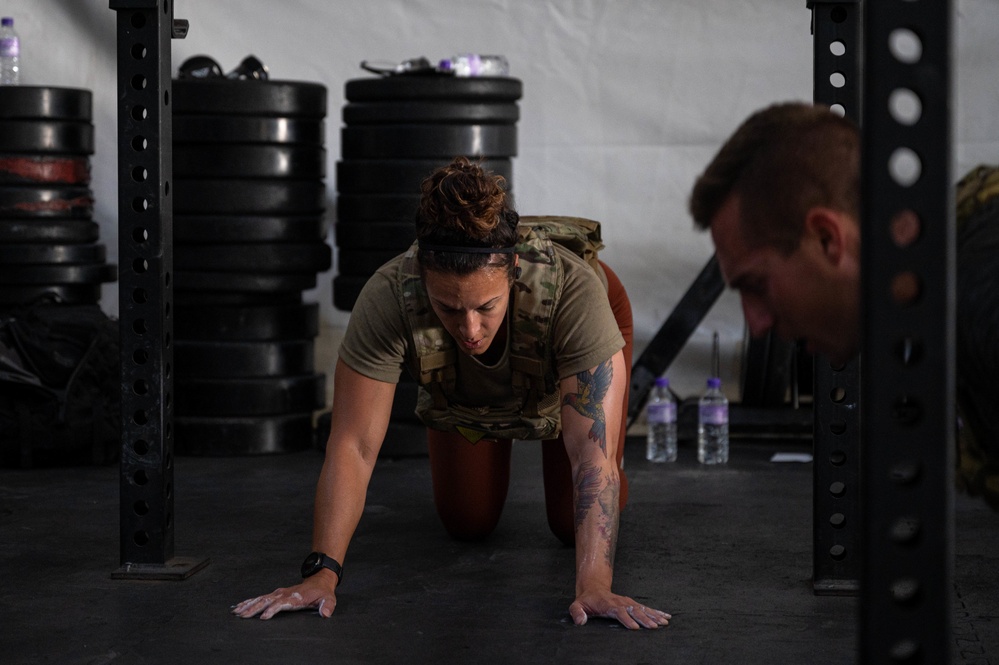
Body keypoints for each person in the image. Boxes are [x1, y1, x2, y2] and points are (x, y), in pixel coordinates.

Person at [233, 157, 671, 630]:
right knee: (469, 522)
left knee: (571, 524)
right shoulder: (388, 293)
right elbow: (353, 445)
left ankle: (613, 490)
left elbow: (590, 454)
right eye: (448, 306)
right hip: (469, 387)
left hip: (564, 350)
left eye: (486, 306)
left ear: (514, 268)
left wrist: (594, 586)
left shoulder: (574, 293)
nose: (469, 329)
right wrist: (322, 575)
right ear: (422, 275)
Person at [688, 100, 999, 507]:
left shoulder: (982, 292)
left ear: (827, 239)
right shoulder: (948, 280)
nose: (756, 323)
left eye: (757, 285)